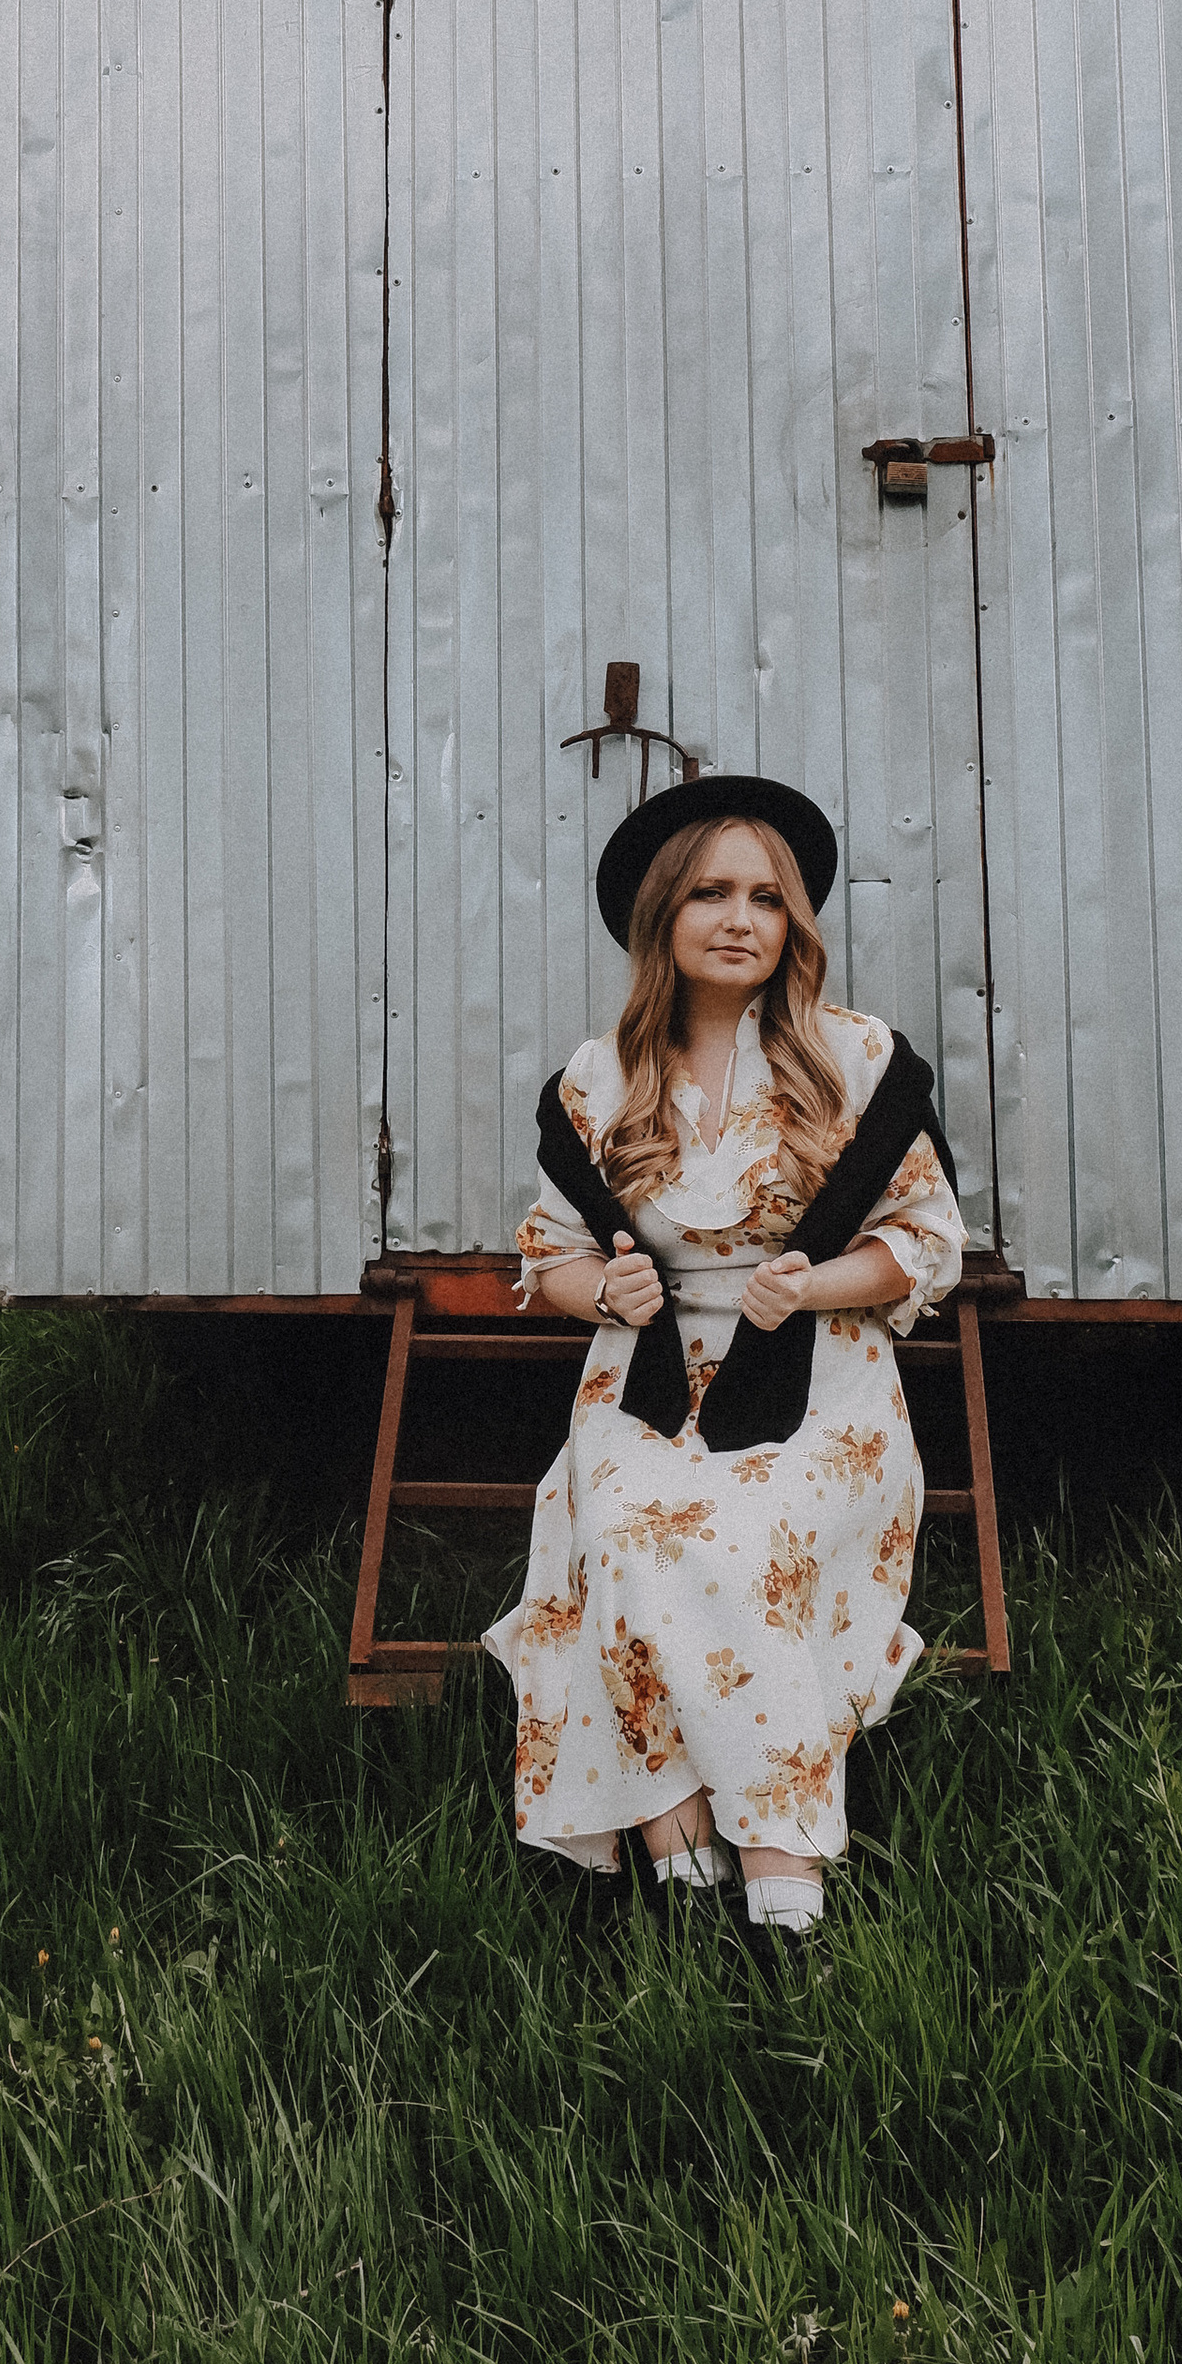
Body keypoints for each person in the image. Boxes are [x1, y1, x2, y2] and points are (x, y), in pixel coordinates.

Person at [482, 775, 964, 1937]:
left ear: (794, 921)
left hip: (819, 1374)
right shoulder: (599, 1078)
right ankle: (684, 1852)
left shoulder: (853, 1059)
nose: (740, 919)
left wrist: (814, 1282)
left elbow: (924, 1242)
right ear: (662, 918)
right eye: (709, 893)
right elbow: (544, 1258)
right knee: (625, 1538)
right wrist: (604, 1285)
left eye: (765, 897)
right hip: (641, 1378)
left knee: (736, 1538)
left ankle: (779, 1878)